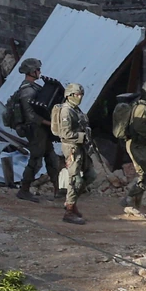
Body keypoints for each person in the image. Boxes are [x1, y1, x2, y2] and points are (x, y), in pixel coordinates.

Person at [15, 58, 61, 203]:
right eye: (38, 70)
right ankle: (24, 190)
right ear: (31, 72)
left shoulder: (34, 87)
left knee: (51, 158)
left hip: (42, 129)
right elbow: (31, 116)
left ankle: (58, 190)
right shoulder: (27, 91)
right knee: (35, 160)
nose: (40, 72)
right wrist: (51, 123)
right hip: (35, 130)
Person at [119, 79, 146, 216]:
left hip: (140, 145)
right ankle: (128, 199)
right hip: (137, 145)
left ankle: (135, 205)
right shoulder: (142, 108)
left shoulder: (144, 106)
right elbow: (139, 126)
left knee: (145, 175)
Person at [58, 83, 96, 225]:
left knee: (91, 175)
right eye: (77, 95)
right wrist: (82, 137)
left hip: (81, 148)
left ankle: (71, 203)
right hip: (72, 148)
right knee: (74, 180)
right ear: (69, 95)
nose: (80, 97)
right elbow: (65, 133)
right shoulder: (66, 111)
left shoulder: (75, 109)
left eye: (81, 94)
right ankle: (69, 210)